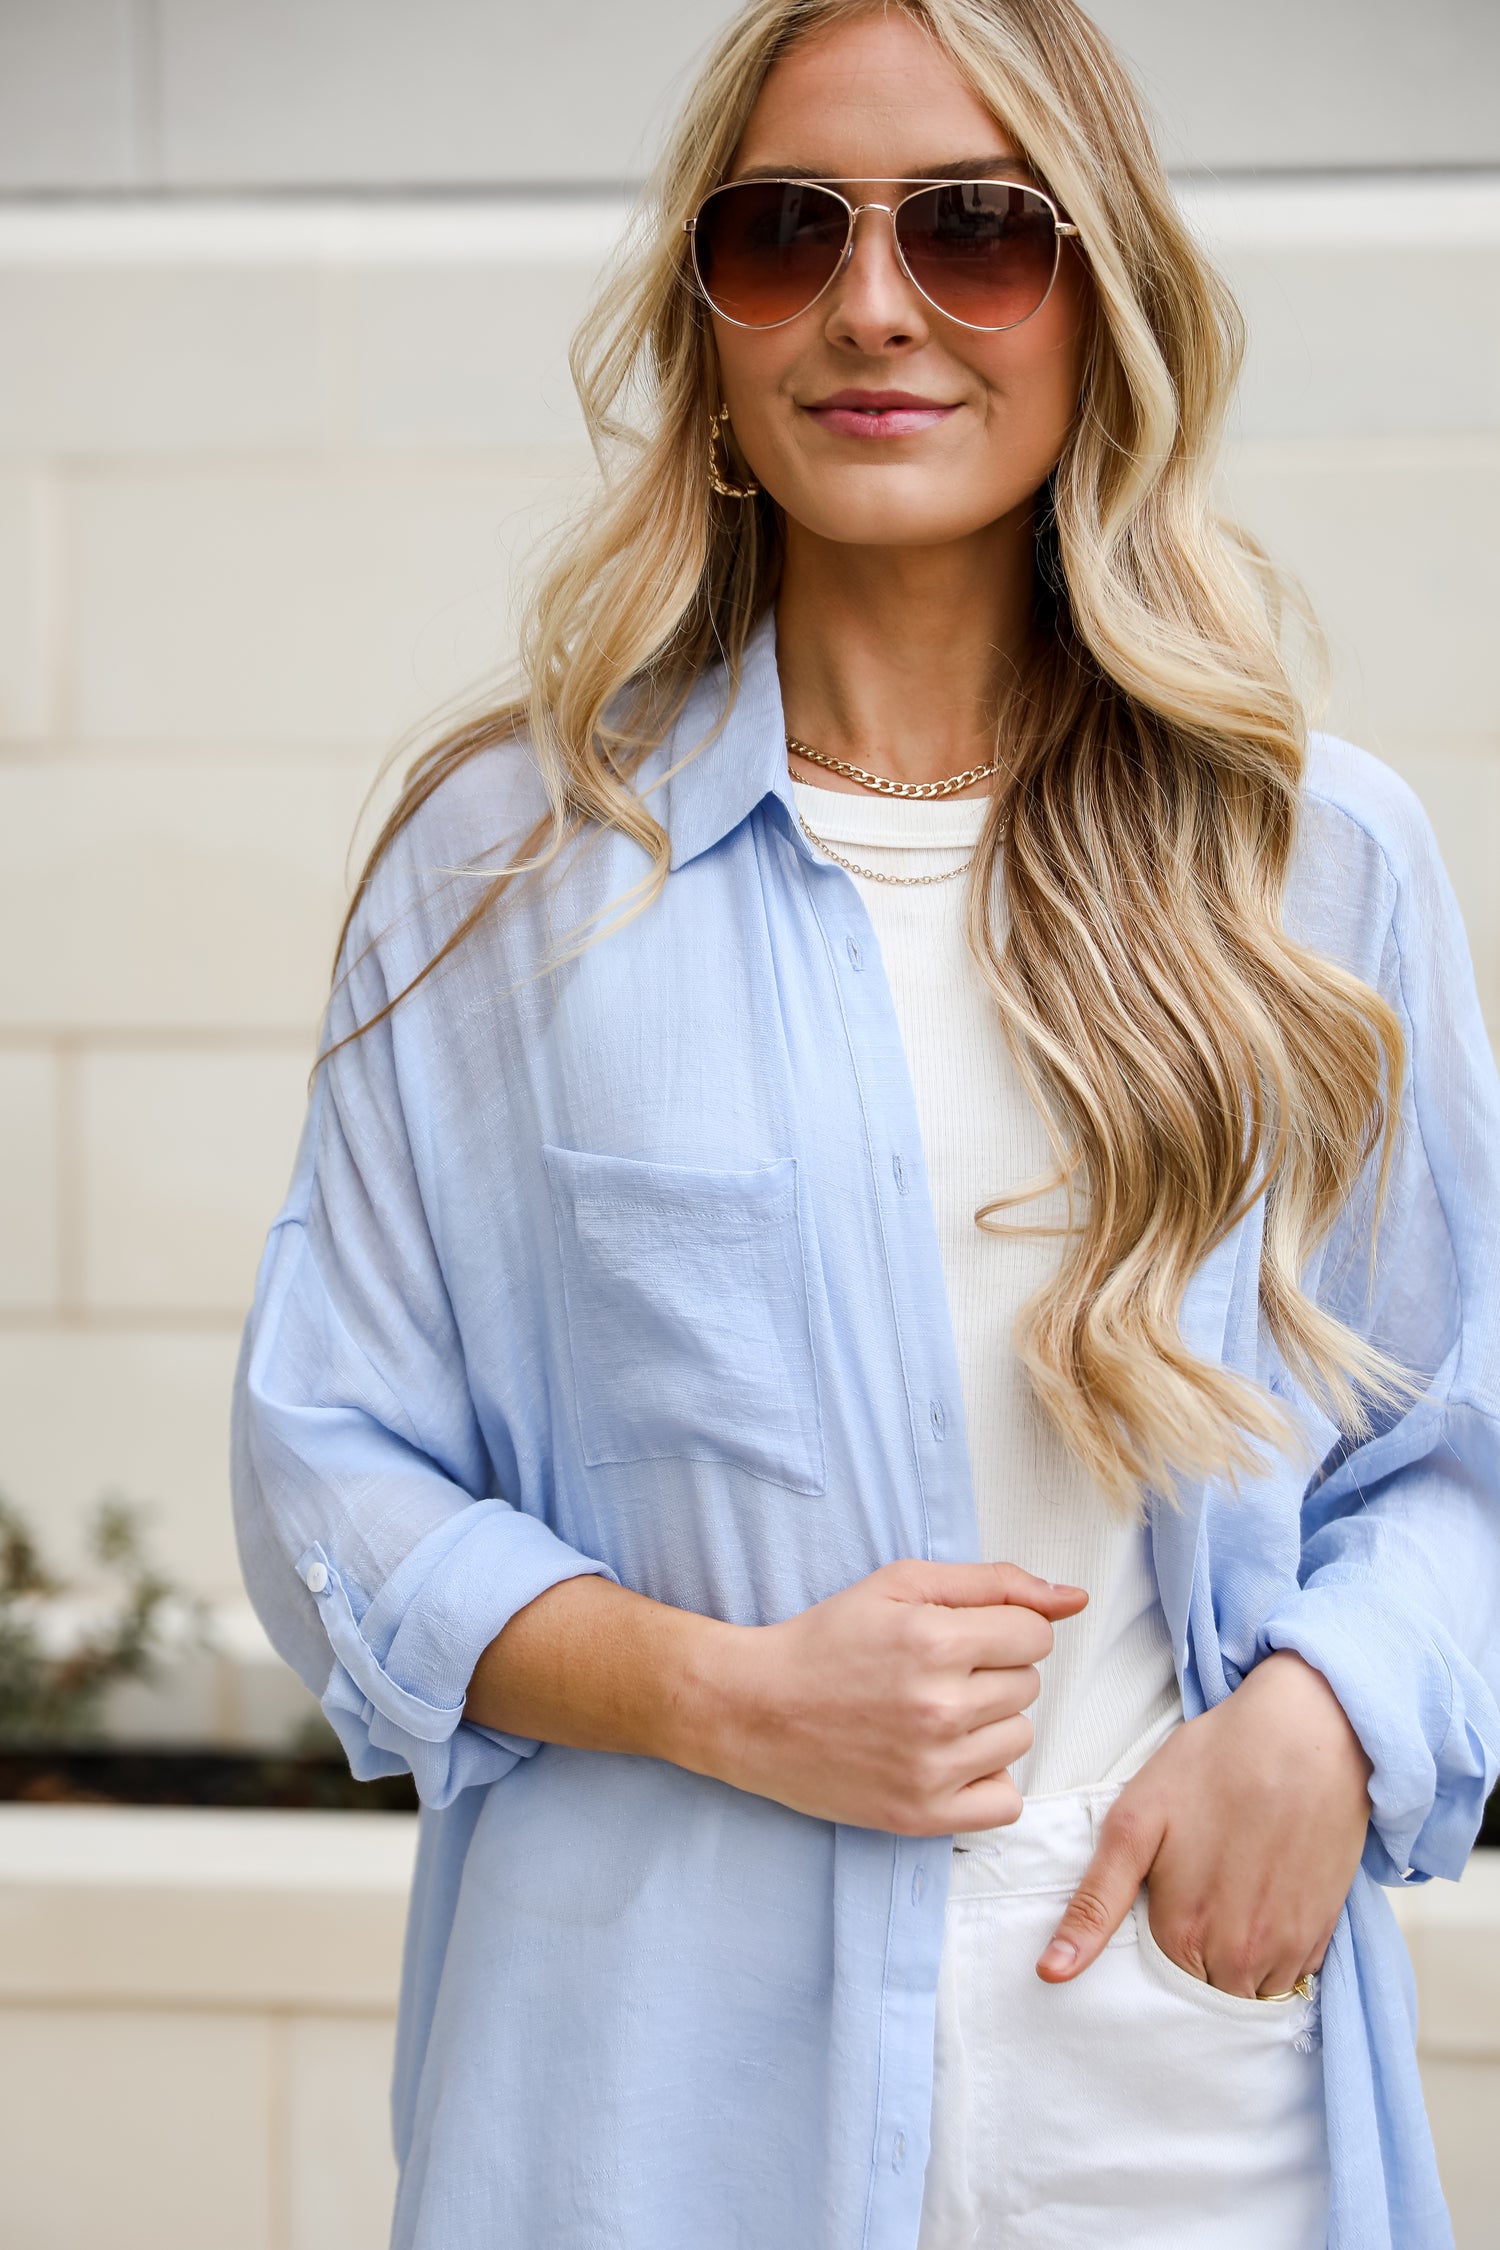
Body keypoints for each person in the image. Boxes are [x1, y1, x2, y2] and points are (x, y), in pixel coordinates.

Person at [230, 3, 1500, 2245]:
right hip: (651, 2111)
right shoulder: (508, 870)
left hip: (1183, 2106)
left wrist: (1330, 1714)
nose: (877, 305)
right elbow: (329, 1465)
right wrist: (724, 1695)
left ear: (1100, 297)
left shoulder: (1317, 862)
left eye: (982, 232)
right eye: (786, 232)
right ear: (706, 318)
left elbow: (1455, 1455)